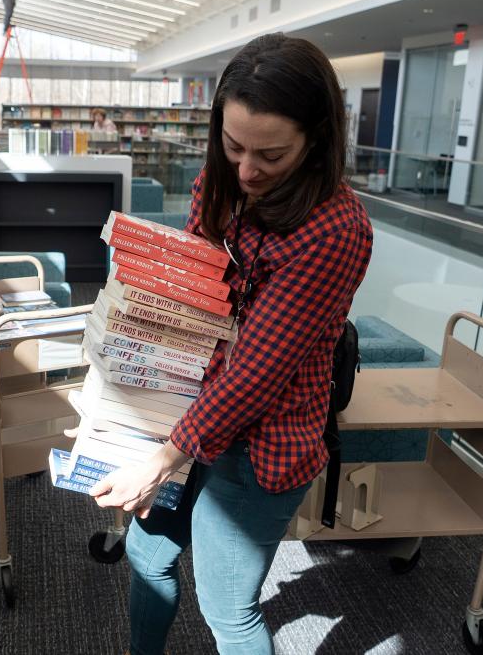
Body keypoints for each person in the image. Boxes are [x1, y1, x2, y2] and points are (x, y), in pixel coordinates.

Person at [90, 34, 374, 654]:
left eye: (271, 155)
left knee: (227, 607)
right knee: (147, 552)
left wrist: (160, 459)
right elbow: (194, 293)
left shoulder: (335, 230)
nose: (246, 171)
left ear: (317, 139)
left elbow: (255, 376)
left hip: (263, 439)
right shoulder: (223, 182)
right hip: (188, 407)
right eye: (233, 144)